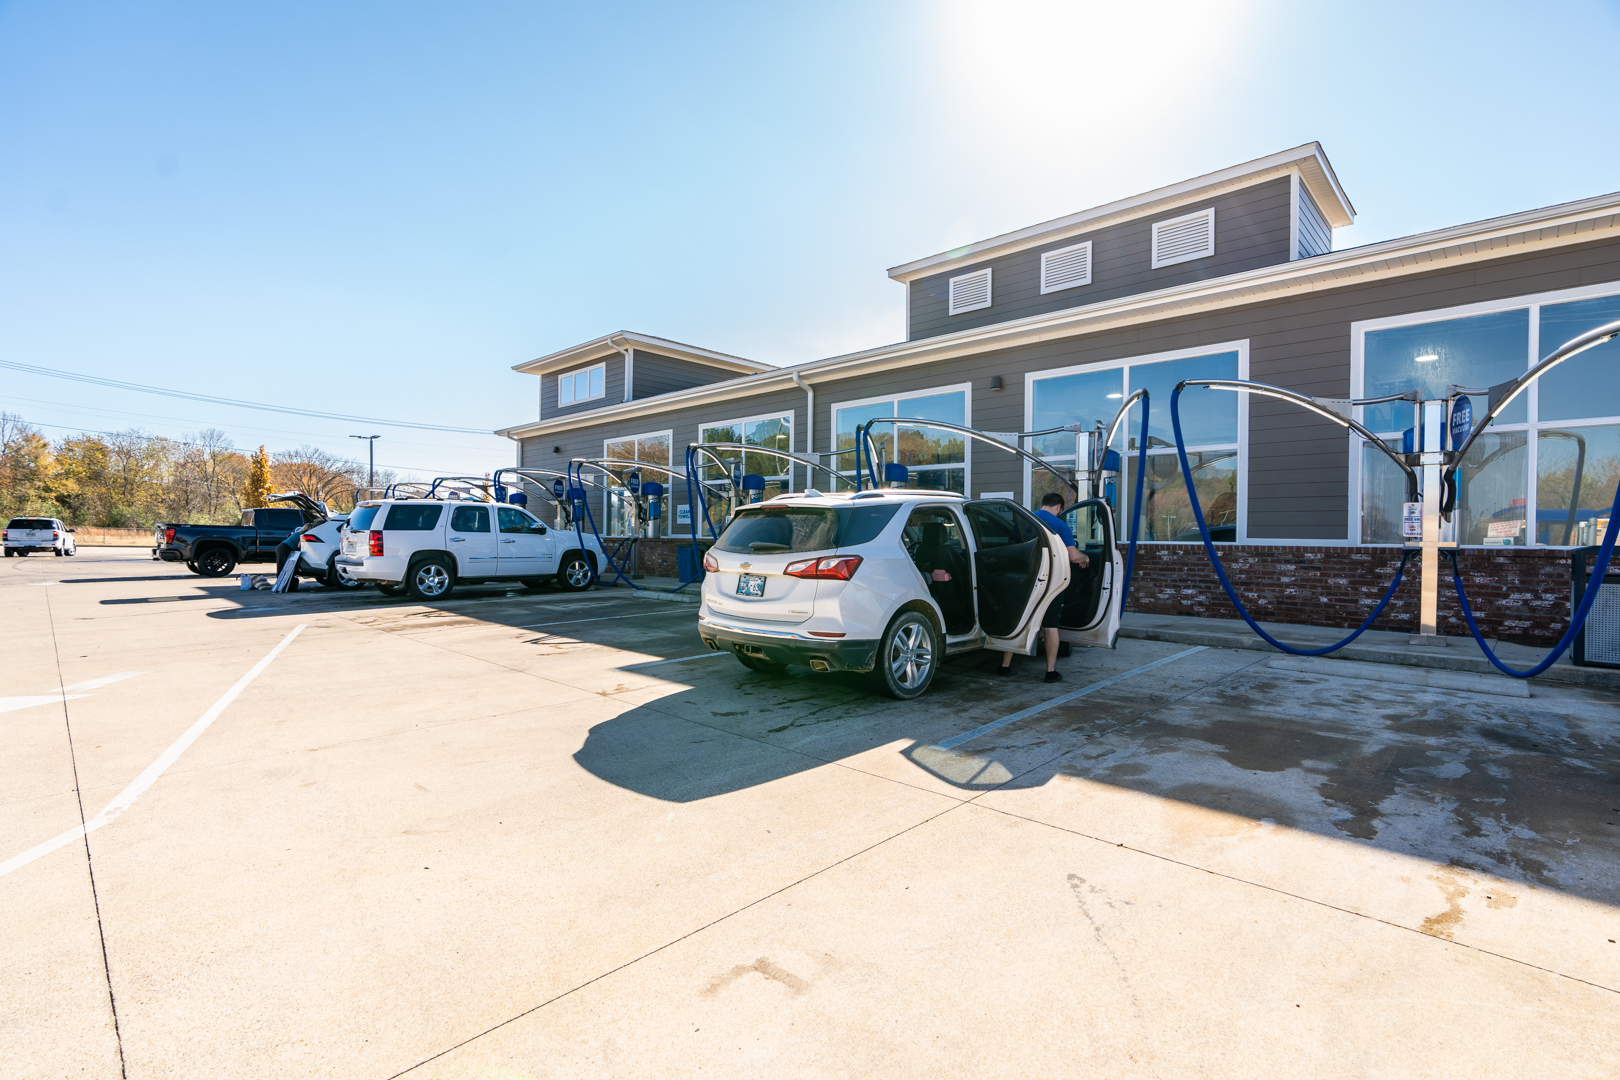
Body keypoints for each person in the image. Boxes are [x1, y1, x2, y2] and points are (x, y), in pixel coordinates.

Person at [999, 492, 1088, 683]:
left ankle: (1005, 666)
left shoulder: (1023, 521)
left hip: (1023, 580)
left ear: (1043, 504)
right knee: (1050, 626)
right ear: (1058, 507)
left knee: (1019, 621)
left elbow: (1010, 550)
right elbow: (1073, 556)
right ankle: (1050, 672)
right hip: (1050, 584)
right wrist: (1085, 558)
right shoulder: (1059, 525)